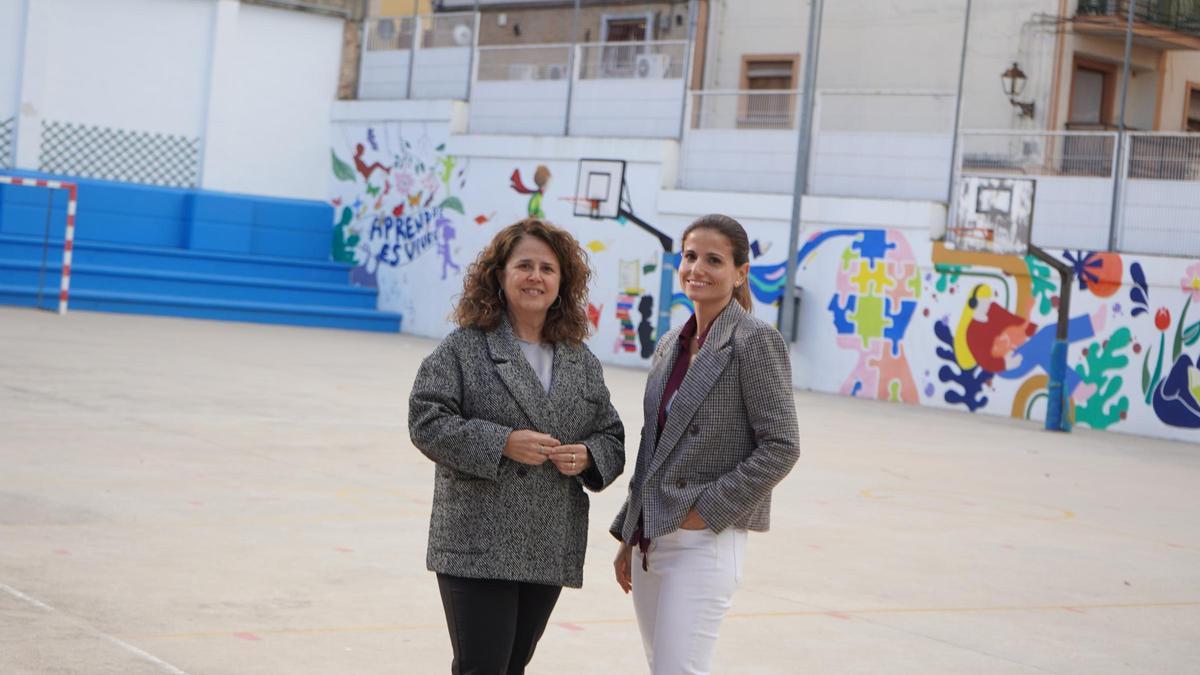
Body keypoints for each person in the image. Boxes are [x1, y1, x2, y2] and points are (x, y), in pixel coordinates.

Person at [409, 218, 625, 675]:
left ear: (562, 283)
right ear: (500, 276)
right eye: (523, 265)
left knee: (513, 667)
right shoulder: (464, 349)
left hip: (547, 537)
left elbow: (611, 435)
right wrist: (501, 442)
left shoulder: (579, 359)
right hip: (477, 538)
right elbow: (426, 420)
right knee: (482, 667)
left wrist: (587, 455)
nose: (536, 277)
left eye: (548, 268)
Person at [611, 213, 800, 674]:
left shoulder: (755, 341)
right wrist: (628, 532)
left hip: (704, 540)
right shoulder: (671, 343)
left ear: (740, 273)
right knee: (663, 667)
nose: (697, 268)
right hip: (651, 538)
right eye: (690, 256)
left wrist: (705, 512)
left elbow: (782, 445)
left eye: (714, 259)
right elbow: (653, 445)